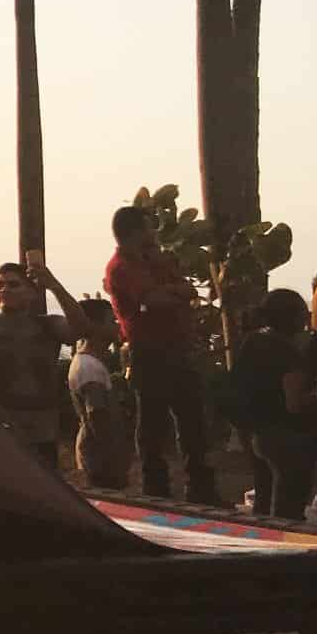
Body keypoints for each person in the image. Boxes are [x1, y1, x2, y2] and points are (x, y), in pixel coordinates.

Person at [103, 205, 219, 504]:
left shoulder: (155, 260)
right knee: (153, 426)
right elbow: (154, 299)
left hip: (178, 349)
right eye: (148, 227)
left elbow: (185, 291)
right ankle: (156, 491)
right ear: (135, 232)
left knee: (192, 422)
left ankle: (201, 490)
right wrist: (173, 292)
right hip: (149, 352)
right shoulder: (120, 267)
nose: (154, 232)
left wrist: (172, 291)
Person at [0, 261, 84, 467]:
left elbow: (80, 329)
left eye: (13, 285)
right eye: (0, 285)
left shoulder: (48, 326)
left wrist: (54, 286)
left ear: (32, 293)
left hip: (41, 433)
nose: (4, 290)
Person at [230, 289, 317, 520]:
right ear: (294, 318)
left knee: (264, 495)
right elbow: (294, 404)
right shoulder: (287, 353)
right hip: (283, 435)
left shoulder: (253, 341)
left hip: (253, 430)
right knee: (287, 507)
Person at [67, 299, 131, 487]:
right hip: (101, 463)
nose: (117, 325)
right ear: (94, 326)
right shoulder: (89, 368)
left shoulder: (89, 363)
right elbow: (98, 418)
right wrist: (115, 458)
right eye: (111, 321)